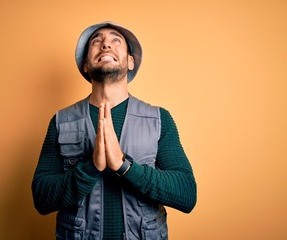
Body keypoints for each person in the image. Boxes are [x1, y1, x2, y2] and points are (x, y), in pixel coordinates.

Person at [32, 21, 197, 240]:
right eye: (96, 41)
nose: (105, 45)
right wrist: (91, 168)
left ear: (130, 61)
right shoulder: (61, 121)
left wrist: (124, 166)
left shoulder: (159, 119)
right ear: (85, 65)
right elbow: (41, 199)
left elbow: (186, 194)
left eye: (115, 40)